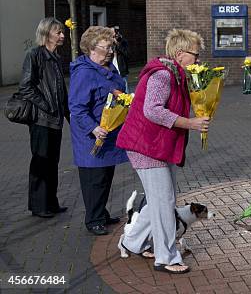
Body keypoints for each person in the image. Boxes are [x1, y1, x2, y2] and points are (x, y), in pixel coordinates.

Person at [117, 29, 209, 274]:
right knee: (164, 202)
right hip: (147, 147)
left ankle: (133, 242)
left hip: (155, 146)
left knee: (159, 201)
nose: (197, 60)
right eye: (195, 55)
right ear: (180, 54)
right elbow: (153, 110)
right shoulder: (162, 75)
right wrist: (190, 123)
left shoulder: (174, 74)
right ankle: (166, 257)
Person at [69, 26, 128, 236]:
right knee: (94, 180)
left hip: (108, 134)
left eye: (111, 46)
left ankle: (101, 213)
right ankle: (93, 220)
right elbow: (76, 107)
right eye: (106, 47)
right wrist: (93, 128)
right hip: (92, 137)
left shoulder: (108, 69)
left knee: (105, 177)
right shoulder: (84, 73)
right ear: (92, 49)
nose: (110, 51)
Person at [19, 17, 70, 218]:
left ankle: (51, 202)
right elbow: (25, 87)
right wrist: (46, 106)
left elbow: (61, 91)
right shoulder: (34, 55)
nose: (62, 35)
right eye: (58, 32)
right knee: (41, 163)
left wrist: (68, 115)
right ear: (47, 33)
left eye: (62, 32)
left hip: (55, 121)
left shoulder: (56, 58)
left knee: (53, 162)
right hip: (41, 120)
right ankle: (39, 206)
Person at [112, 26, 129, 91]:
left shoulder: (123, 42)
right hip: (112, 68)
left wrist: (118, 44)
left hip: (121, 68)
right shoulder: (109, 43)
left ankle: (127, 100)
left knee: (125, 87)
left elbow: (127, 54)